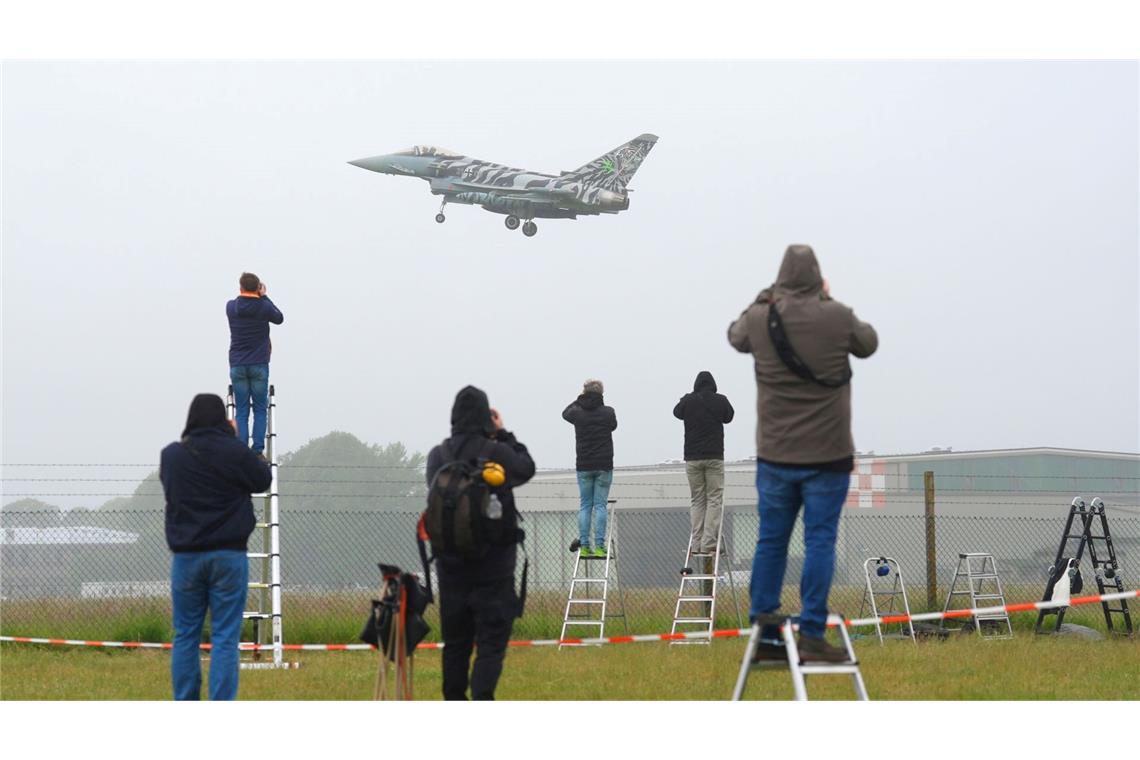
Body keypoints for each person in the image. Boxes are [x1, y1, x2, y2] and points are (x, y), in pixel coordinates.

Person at [728, 244, 878, 662]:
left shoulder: (761, 317)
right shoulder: (837, 315)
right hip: (828, 455)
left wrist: (764, 298)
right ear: (818, 278)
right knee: (820, 541)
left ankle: (764, 629)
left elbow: (734, 336)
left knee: (770, 541)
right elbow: (869, 343)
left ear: (779, 279)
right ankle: (812, 632)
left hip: (776, 455)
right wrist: (826, 301)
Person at [426, 385, 536, 700]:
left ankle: (454, 701)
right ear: (486, 417)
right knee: (490, 644)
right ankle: (482, 698)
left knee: (456, 644)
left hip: (450, 570)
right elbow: (526, 467)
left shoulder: (438, 456)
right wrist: (502, 434)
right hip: (494, 569)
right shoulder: (497, 452)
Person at [160, 393, 272, 700]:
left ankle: (186, 700)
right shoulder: (234, 451)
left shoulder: (172, 456)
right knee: (225, 637)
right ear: (223, 419)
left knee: (185, 634)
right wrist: (234, 440)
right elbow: (263, 479)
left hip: (186, 558)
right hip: (228, 555)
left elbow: (170, 486)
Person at [673, 371, 734, 558]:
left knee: (697, 499)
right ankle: (709, 543)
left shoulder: (689, 401)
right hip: (714, 456)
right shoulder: (720, 400)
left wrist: (686, 397)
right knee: (714, 498)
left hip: (692, 458)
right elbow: (729, 416)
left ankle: (697, 542)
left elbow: (677, 412)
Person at [226, 272, 284, 459]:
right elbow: (279, 318)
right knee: (260, 408)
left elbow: (239, 301)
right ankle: (257, 450)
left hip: (237, 365)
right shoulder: (264, 307)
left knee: (242, 409)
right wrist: (264, 296)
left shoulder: (231, 307)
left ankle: (242, 448)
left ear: (240, 287)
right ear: (258, 288)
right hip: (259, 364)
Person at [562, 379, 618, 558]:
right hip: (604, 465)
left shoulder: (578, 413)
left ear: (584, 393)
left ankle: (585, 545)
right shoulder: (608, 413)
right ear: (602, 394)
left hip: (584, 465)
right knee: (600, 505)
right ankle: (600, 546)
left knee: (585, 505)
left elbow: (565, 413)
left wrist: (580, 399)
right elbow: (614, 426)